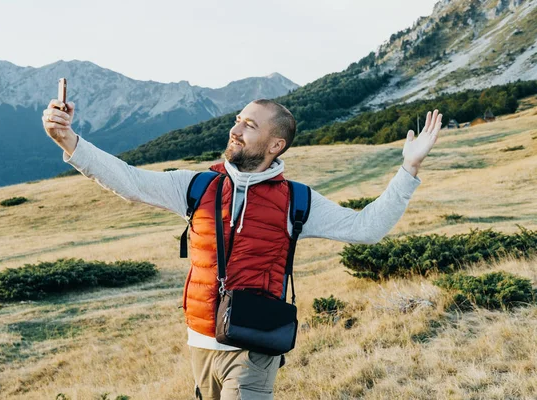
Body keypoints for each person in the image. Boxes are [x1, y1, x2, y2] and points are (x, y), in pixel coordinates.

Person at [42, 98, 442, 400]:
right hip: (200, 340)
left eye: (249, 125)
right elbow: (128, 180)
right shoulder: (198, 186)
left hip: (254, 346)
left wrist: (409, 170)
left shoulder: (297, 201)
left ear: (275, 144)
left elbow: (366, 227)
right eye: (237, 120)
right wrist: (69, 141)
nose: (235, 129)